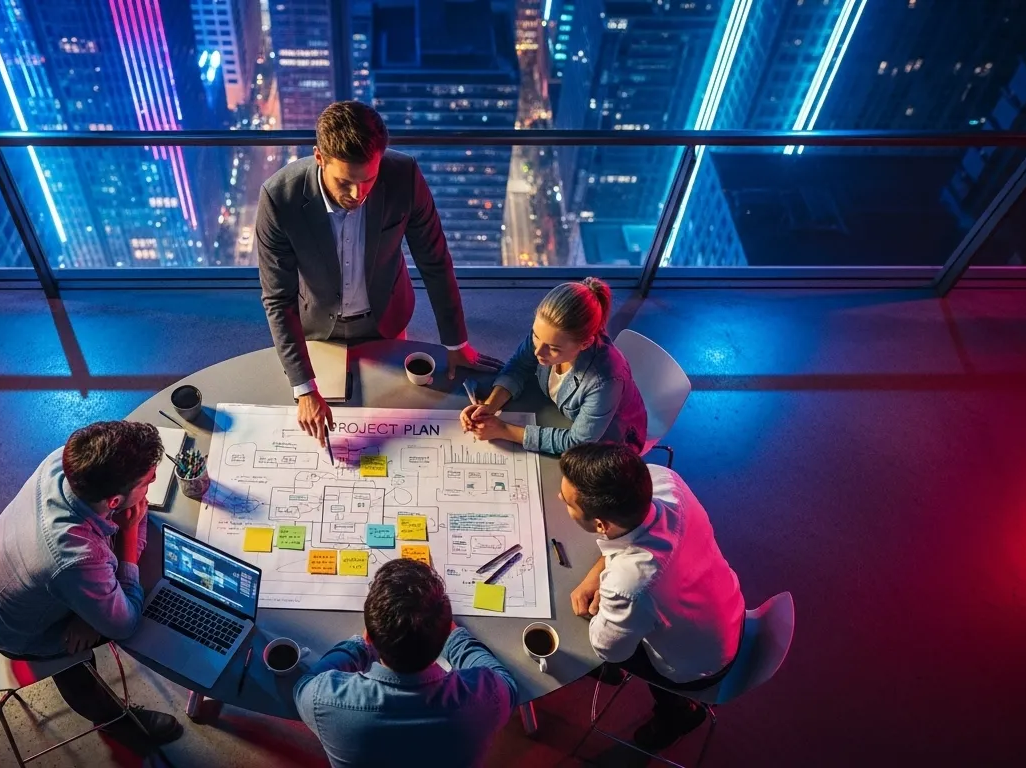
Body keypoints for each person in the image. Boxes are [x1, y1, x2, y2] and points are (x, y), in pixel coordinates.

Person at [257, 100, 499, 446]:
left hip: (386, 318)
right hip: (316, 326)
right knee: (327, 418)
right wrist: (305, 389)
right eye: (345, 183)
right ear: (319, 157)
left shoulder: (404, 176)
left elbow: (435, 260)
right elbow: (278, 299)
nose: (358, 194)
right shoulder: (280, 197)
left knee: (390, 408)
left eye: (369, 179)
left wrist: (456, 343)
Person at [0, 421, 182, 754]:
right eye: (148, 480)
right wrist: (127, 540)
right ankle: (116, 723)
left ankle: (87, 608)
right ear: (114, 501)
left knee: (99, 607)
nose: (155, 480)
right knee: (78, 656)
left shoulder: (65, 462)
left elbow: (121, 524)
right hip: (18, 631)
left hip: (11, 585)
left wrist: (90, 607)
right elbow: (125, 623)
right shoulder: (74, 557)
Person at [558, 442, 745, 751]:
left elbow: (609, 648)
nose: (559, 498)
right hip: (728, 608)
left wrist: (605, 598)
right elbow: (629, 538)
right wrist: (595, 574)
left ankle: (678, 716)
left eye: (568, 502)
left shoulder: (629, 585)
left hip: (699, 663)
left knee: (583, 637)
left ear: (600, 525)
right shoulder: (662, 480)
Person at [293, 558, 518, 768]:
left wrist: (358, 647)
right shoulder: (488, 697)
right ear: (443, 639)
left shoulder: (322, 699)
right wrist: (455, 637)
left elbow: (304, 685)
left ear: (371, 639)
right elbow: (506, 681)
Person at [460, 278, 646, 455]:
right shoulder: (548, 335)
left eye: (554, 349)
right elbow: (519, 366)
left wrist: (503, 430)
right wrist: (489, 407)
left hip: (610, 442)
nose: (538, 352)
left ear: (585, 344)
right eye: (536, 336)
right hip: (562, 418)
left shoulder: (605, 381)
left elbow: (578, 443)